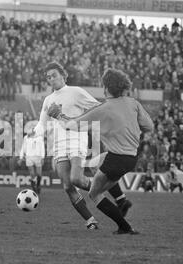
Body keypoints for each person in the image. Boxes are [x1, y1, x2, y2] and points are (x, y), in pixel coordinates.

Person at [48, 68, 154, 234]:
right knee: (93, 165)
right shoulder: (134, 103)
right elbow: (149, 126)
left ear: (107, 88)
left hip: (116, 159)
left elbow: (72, 126)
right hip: (131, 158)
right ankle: (121, 200)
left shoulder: (104, 109)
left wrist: (59, 115)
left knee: (94, 193)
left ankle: (124, 227)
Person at [32, 62, 129, 230]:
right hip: (59, 146)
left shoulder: (75, 92)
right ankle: (91, 220)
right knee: (68, 186)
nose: (51, 79)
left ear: (63, 75)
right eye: (48, 77)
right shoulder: (48, 100)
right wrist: (35, 133)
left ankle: (112, 195)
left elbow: (97, 107)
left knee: (76, 179)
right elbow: (42, 123)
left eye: (54, 75)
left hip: (77, 141)